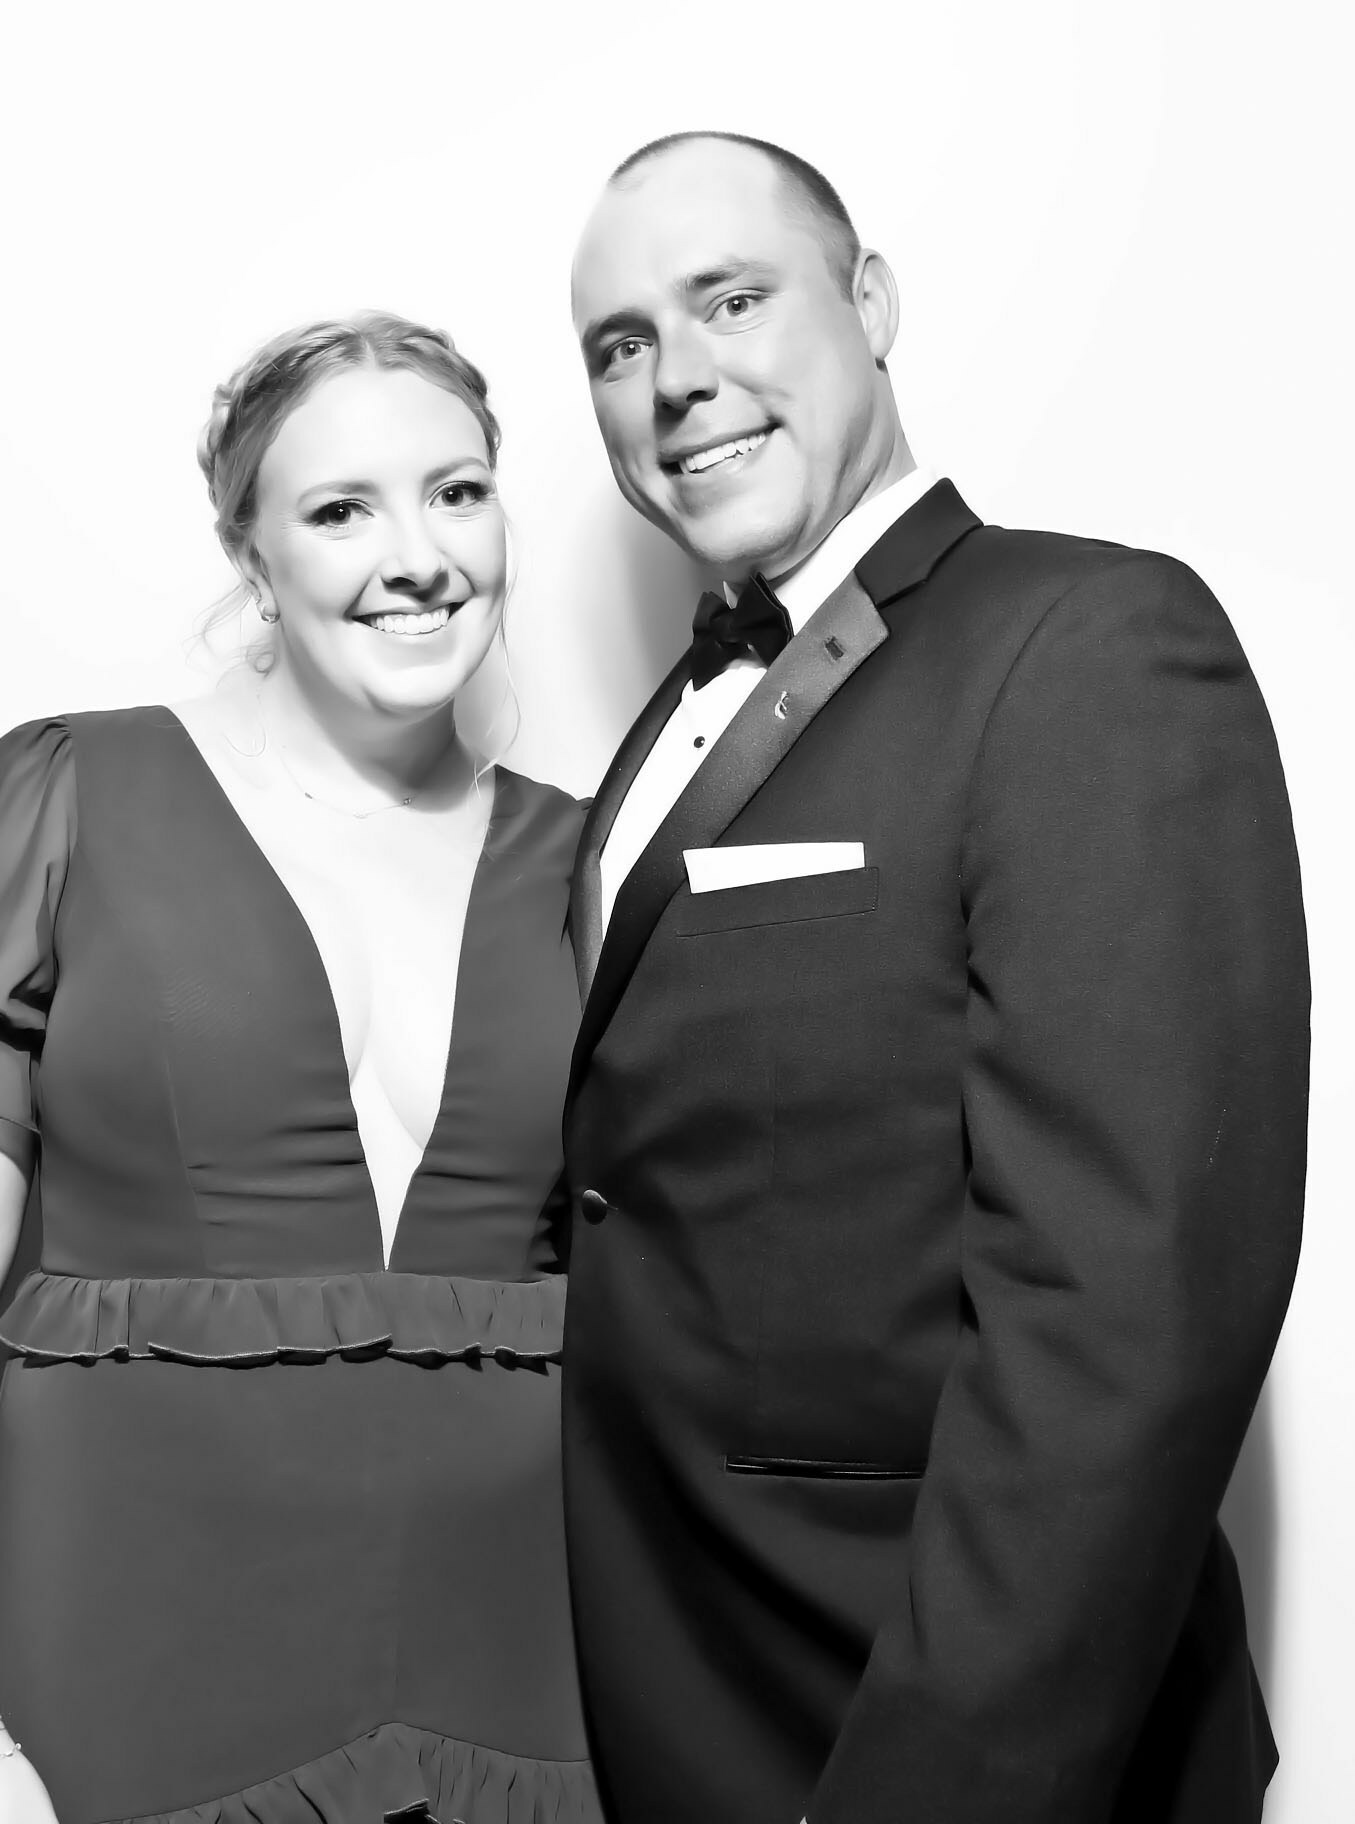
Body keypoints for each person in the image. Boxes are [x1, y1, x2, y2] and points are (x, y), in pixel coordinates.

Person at [557, 132, 1312, 1823]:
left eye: (730, 299)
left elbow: (1130, 1309)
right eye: (619, 345)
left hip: (938, 1734)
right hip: (695, 1701)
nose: (677, 379)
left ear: (873, 303)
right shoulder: (660, 738)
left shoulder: (1089, 643)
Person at [0, 313, 601, 1824]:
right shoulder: (73, 795)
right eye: (341, 509)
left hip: (522, 1677)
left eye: (457, 492)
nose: (418, 556)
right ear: (252, 553)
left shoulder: (593, 859)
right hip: (138, 1667)